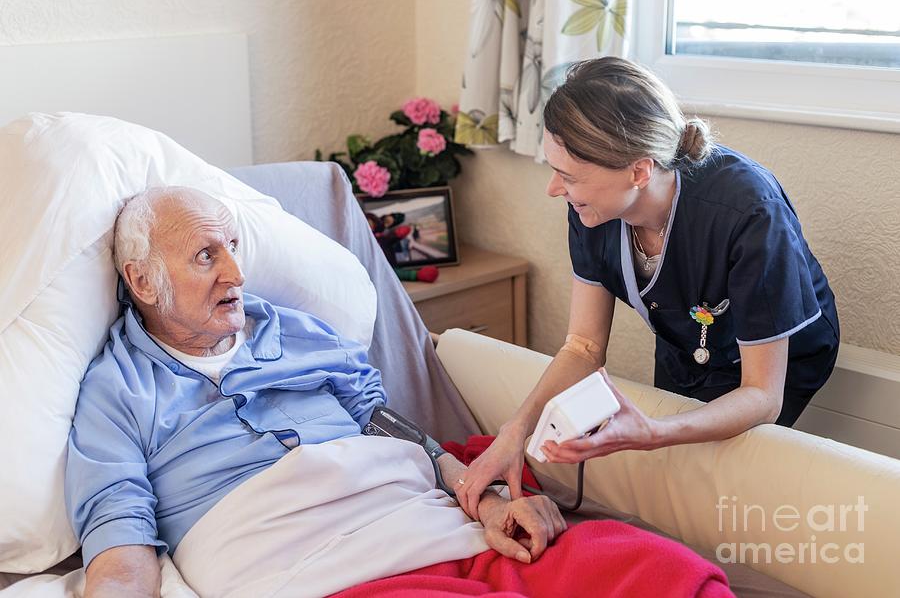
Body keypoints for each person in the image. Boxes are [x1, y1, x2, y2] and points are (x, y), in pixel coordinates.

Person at [65, 187, 567, 597]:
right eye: (205, 256)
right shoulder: (115, 391)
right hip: (290, 567)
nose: (237, 274)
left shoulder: (298, 331)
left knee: (626, 561)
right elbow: (119, 536)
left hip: (417, 523)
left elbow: (380, 420)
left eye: (233, 247)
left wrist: (488, 501)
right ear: (143, 282)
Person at [456, 57, 839, 520]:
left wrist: (655, 432)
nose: (554, 189)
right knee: (672, 467)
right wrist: (515, 430)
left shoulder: (748, 213)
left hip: (777, 361)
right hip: (688, 340)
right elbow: (583, 346)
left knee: (708, 475)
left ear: (639, 171)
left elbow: (762, 394)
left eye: (570, 176)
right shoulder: (591, 206)